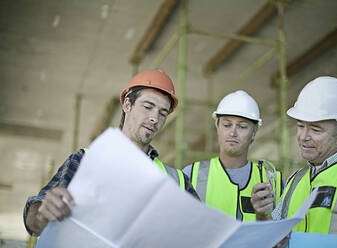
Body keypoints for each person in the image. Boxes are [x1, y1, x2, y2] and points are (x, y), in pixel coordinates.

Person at [23, 69, 199, 236]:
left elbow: (200, 234)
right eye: (148, 107)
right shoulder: (86, 161)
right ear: (127, 104)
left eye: (162, 113)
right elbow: (35, 222)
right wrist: (43, 213)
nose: (155, 118)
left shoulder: (177, 181)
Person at [251, 76, 337, 236]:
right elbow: (274, 238)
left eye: (315, 129)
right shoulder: (294, 182)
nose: (303, 136)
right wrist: (261, 214)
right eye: (300, 126)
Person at [183, 90, 282, 222]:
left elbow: (280, 236)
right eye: (227, 125)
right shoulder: (192, 175)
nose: (232, 133)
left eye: (242, 127)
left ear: (254, 132)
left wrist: (263, 216)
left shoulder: (272, 181)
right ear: (217, 126)